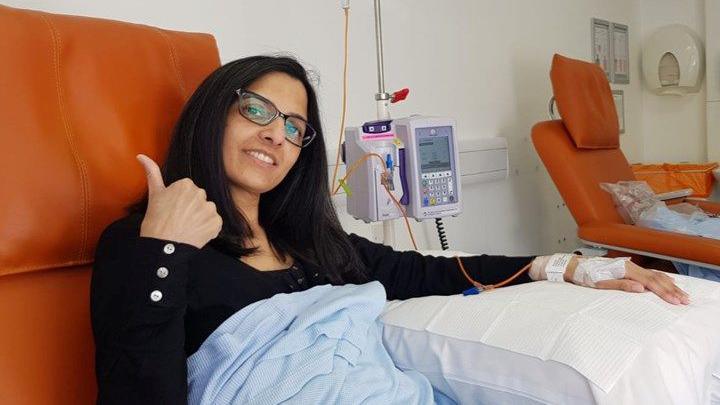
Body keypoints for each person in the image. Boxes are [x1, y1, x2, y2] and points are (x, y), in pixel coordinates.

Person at [90, 55, 689, 404]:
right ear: (210, 112)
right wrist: (162, 248)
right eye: (256, 110)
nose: (277, 134)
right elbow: (138, 394)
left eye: (296, 127)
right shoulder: (144, 248)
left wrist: (566, 267)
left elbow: (425, 271)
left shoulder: (312, 245)